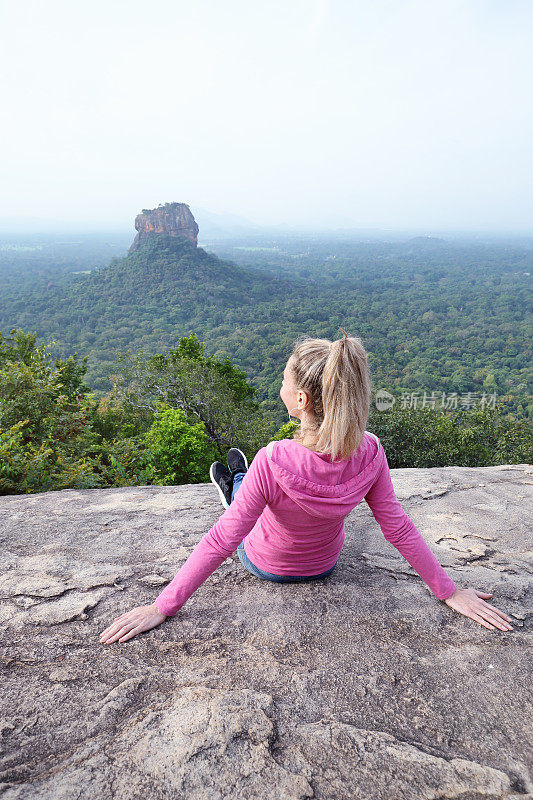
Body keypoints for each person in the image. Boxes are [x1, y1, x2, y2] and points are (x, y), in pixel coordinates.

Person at [99, 330, 514, 644]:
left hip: (264, 564)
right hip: (324, 566)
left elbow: (223, 541)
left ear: (300, 400)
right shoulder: (370, 451)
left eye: (283, 381)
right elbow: (397, 528)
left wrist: (162, 606)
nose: (278, 387)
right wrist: (448, 591)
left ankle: (235, 485)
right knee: (259, 496)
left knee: (244, 505)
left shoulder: (274, 458)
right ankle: (238, 484)